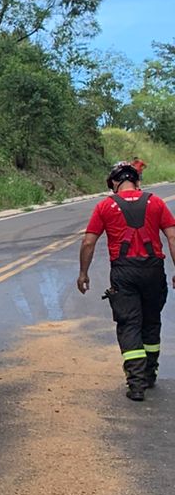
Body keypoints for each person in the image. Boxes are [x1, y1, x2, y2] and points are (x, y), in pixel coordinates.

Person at [77, 162, 175, 401]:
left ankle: (136, 384)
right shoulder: (156, 202)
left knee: (129, 324)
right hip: (153, 270)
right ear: (136, 181)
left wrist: (83, 273)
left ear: (114, 183)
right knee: (151, 321)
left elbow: (88, 242)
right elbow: (172, 236)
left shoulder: (105, 206)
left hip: (124, 272)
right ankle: (150, 374)